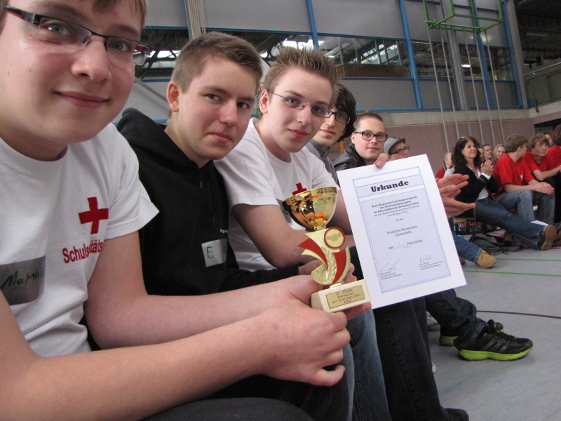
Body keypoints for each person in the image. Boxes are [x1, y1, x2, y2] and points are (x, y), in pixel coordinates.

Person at [0, 3, 360, 420]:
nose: (94, 67)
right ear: (174, 96)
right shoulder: (139, 160)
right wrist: (258, 339)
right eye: (56, 27)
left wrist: (290, 290)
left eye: (120, 44)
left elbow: (122, 313)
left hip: (104, 360)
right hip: (87, 377)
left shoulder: (110, 152)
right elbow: (18, 391)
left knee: (326, 359)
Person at [116, 32, 368, 421]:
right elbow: (122, 320)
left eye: (241, 104)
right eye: (214, 97)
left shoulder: (208, 172)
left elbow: (218, 278)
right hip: (150, 358)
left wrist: (296, 282)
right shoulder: (130, 169)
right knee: (322, 360)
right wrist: (282, 297)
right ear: (175, 96)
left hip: (210, 326)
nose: (230, 117)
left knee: (333, 345)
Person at [216, 48, 470, 421]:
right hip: (267, 281)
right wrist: (357, 241)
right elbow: (282, 249)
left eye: (319, 108)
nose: (306, 118)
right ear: (265, 101)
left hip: (311, 268)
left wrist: (415, 197)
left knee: (398, 275)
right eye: (293, 101)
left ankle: (419, 412)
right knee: (366, 286)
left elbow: (355, 217)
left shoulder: (305, 157)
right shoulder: (244, 150)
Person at [453, 136, 559, 251]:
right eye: (469, 147)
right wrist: (483, 177)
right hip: (474, 205)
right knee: (505, 217)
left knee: (507, 219)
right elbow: (469, 195)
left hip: (488, 200)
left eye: (474, 146)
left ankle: (537, 241)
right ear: (461, 151)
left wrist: (488, 176)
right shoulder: (461, 170)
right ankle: (541, 230)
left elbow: (494, 187)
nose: (473, 148)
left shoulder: (480, 166)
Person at [493, 134, 555, 225]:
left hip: (516, 193)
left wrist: (542, 186)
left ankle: (545, 225)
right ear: (519, 148)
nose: (527, 149)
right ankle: (529, 228)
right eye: (525, 147)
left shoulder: (521, 160)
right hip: (500, 197)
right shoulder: (504, 160)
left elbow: (530, 180)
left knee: (547, 192)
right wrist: (534, 187)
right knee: (525, 193)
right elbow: (508, 188)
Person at [305, 82, 356, 184]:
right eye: (324, 111)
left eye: (340, 116)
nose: (331, 123)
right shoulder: (296, 156)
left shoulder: (328, 165)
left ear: (344, 129)